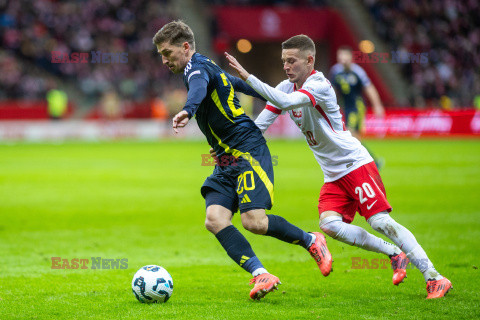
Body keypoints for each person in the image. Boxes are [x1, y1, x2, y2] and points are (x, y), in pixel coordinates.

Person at [224, 34, 452, 299]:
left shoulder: (318, 84)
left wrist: (247, 78)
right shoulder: (285, 88)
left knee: (379, 221)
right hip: (333, 174)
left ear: (310, 60)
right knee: (329, 225)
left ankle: (435, 277)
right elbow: (259, 126)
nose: (286, 67)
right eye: (284, 61)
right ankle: (393, 252)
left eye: (292, 61)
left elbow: (285, 103)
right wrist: (230, 146)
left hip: (355, 163)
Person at [152, 21, 332, 300]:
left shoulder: (196, 69)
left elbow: (198, 89)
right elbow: (235, 83)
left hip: (247, 151)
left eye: (167, 53)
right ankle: (261, 274)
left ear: (185, 47)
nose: (164, 60)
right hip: (226, 158)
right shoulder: (207, 66)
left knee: (254, 221)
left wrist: (188, 110)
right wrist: (274, 96)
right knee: (214, 219)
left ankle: (311, 240)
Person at [329, 46, 385, 168]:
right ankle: (373, 162)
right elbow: (332, 90)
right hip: (346, 107)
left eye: (345, 56)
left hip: (357, 106)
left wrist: (377, 105)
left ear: (351, 57)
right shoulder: (336, 71)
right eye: (340, 56)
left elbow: (369, 88)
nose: (342, 59)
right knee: (354, 137)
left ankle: (369, 162)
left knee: (351, 134)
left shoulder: (358, 71)